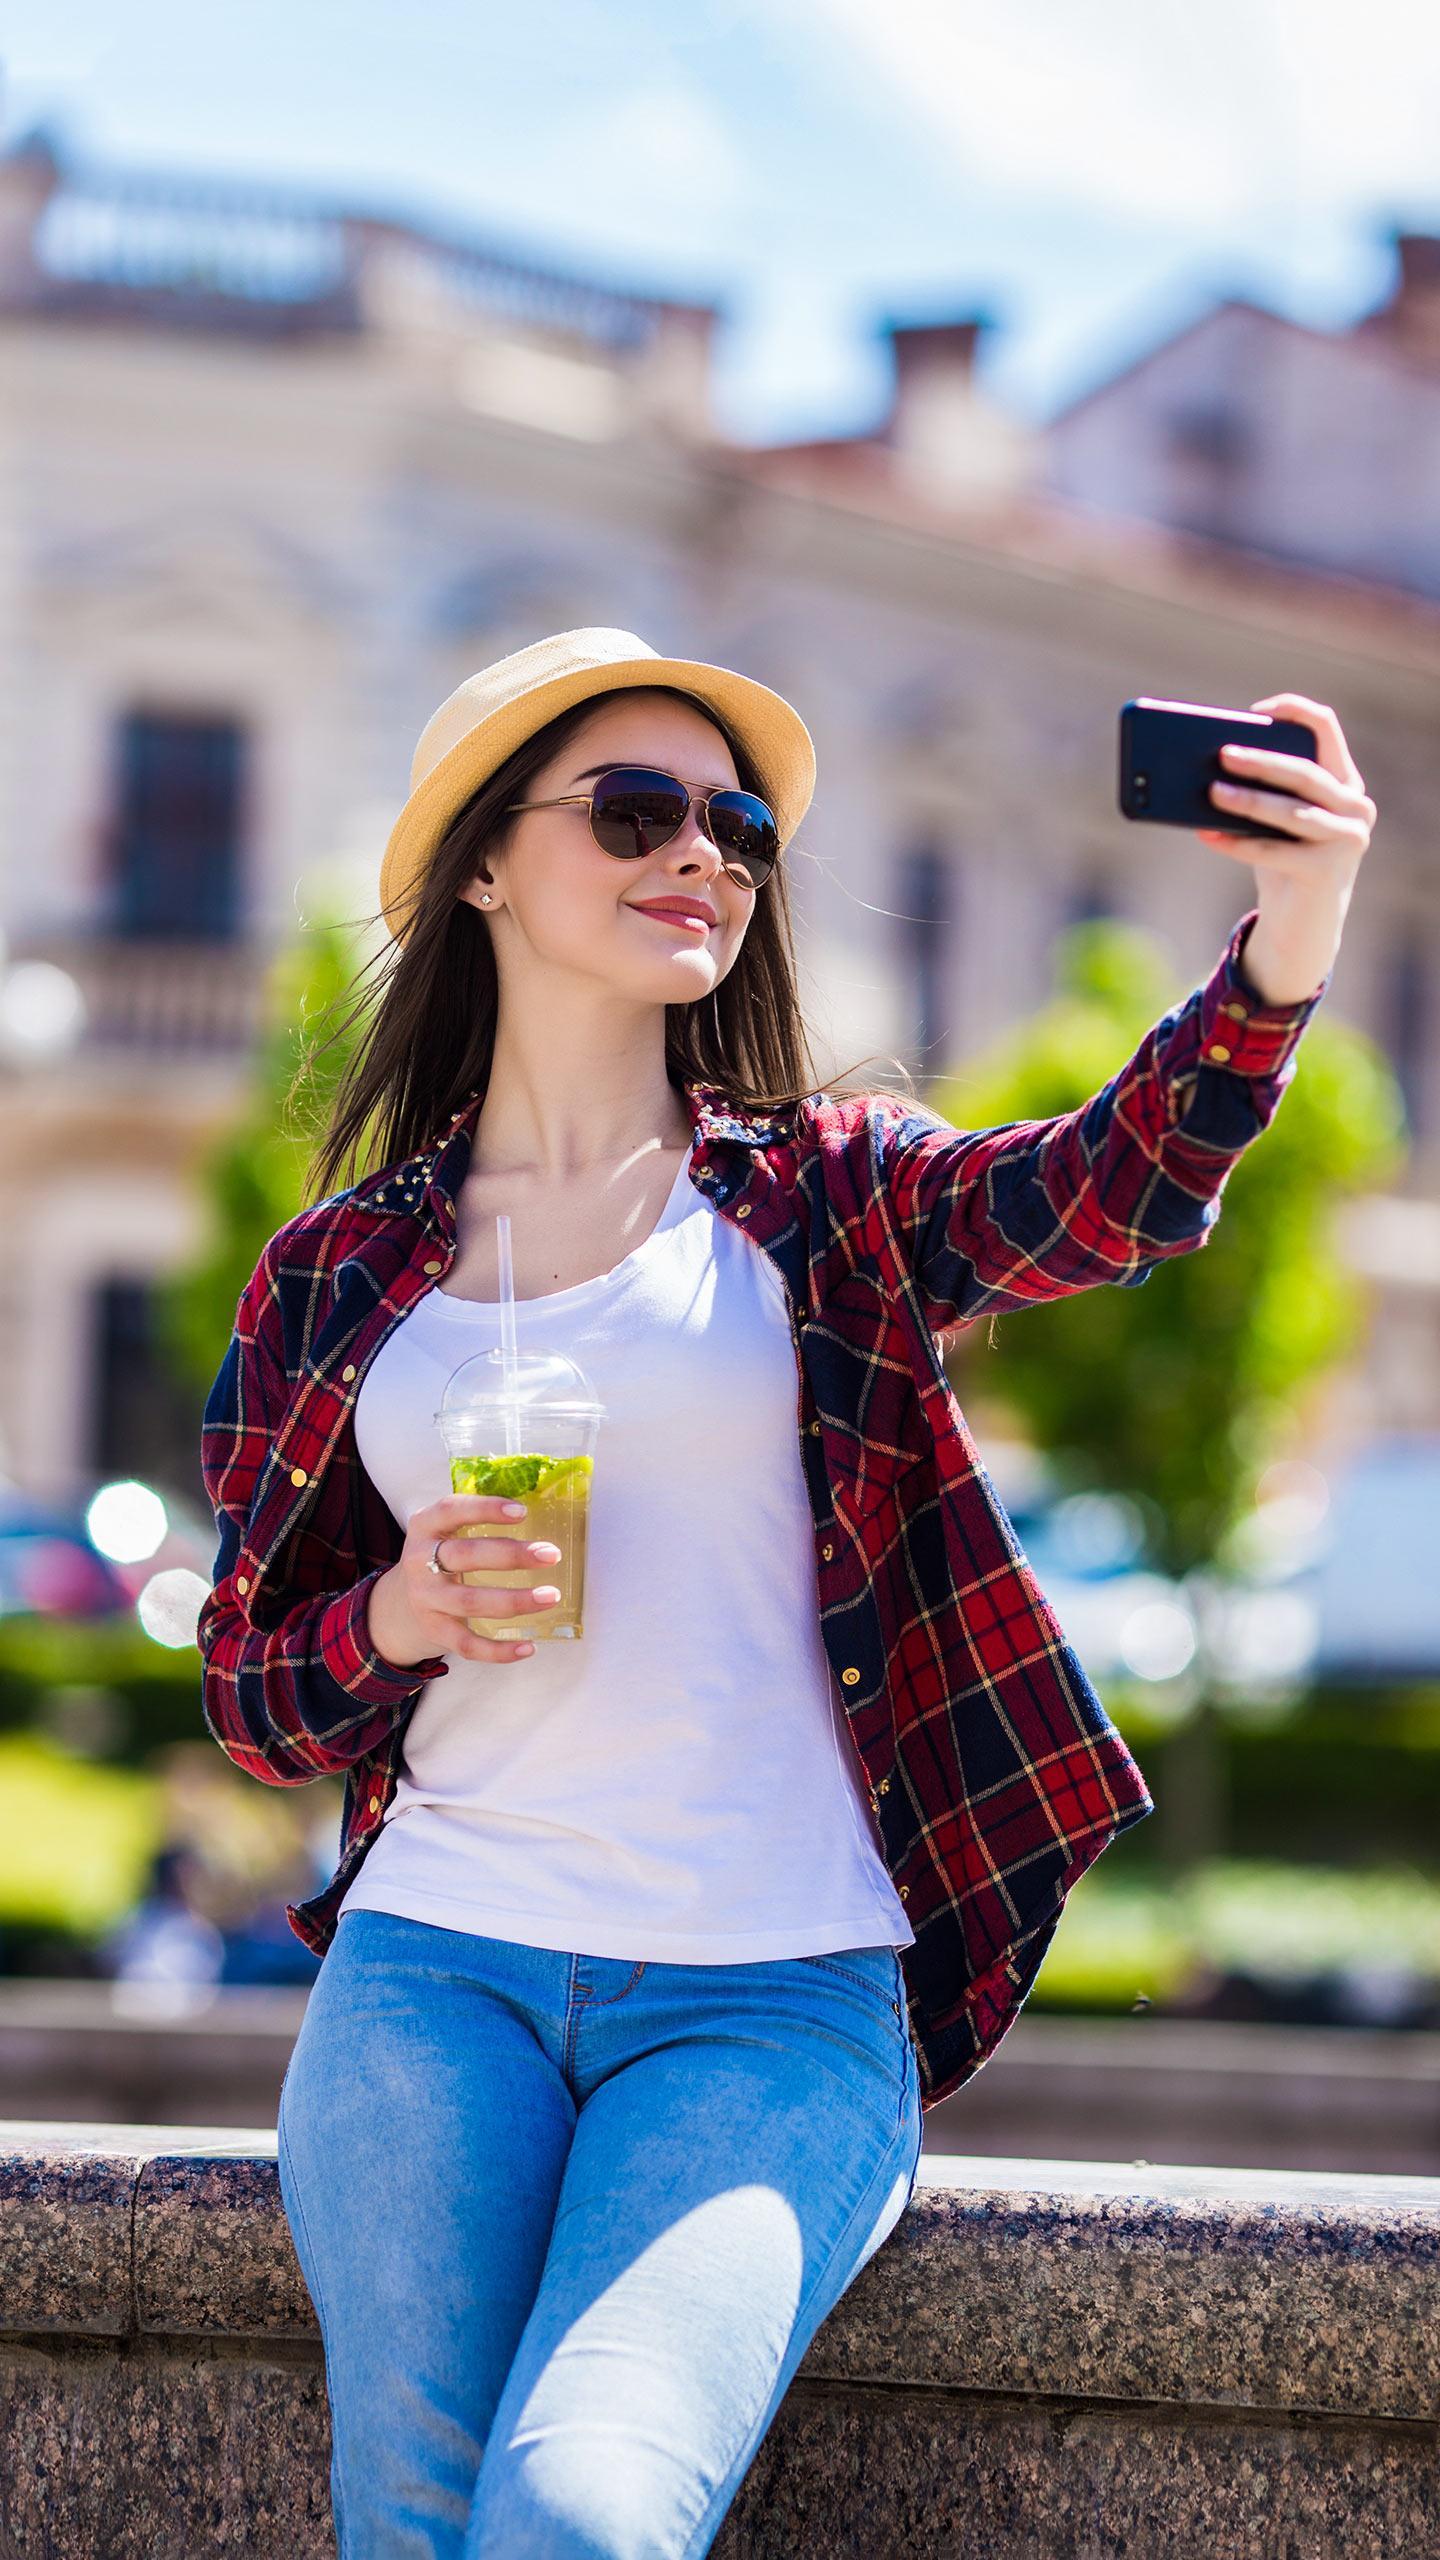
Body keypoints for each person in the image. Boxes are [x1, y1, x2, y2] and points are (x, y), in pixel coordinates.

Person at [197, 628, 1373, 2558]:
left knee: (579, 2511)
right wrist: (396, 1619)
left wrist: (1289, 938)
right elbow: (254, 1693)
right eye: (638, 813)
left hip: (775, 1994)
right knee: (408, 2523)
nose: (708, 860)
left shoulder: (824, 1198)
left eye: (736, 826)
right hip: (434, 1974)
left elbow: (1120, 1185)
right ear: (484, 864)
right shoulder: (337, 1273)